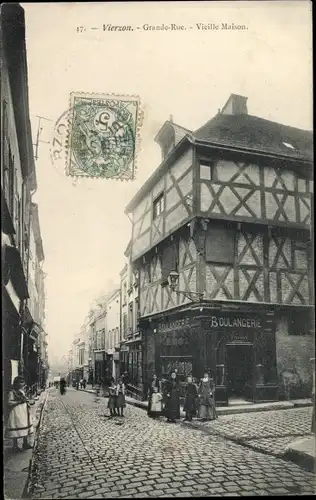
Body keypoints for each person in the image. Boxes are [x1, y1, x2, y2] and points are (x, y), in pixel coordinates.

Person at [6, 376, 34, 451]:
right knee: (16, 426)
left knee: (25, 425)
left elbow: (24, 399)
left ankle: (25, 443)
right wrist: (19, 402)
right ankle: (15, 445)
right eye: (20, 382)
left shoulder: (22, 391)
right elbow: (9, 402)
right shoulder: (12, 392)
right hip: (16, 412)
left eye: (23, 382)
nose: (22, 384)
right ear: (16, 383)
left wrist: (28, 401)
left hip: (24, 411)